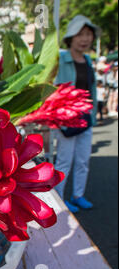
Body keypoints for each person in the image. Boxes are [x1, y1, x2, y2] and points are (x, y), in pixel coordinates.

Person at [53, 15, 100, 213]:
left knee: (83, 160)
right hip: (66, 119)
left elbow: (92, 89)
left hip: (85, 117)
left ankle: (78, 195)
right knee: (64, 161)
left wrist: (94, 114)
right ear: (71, 37)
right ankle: (60, 200)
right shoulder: (61, 59)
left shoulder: (88, 60)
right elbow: (53, 90)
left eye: (88, 34)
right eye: (80, 34)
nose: (85, 39)